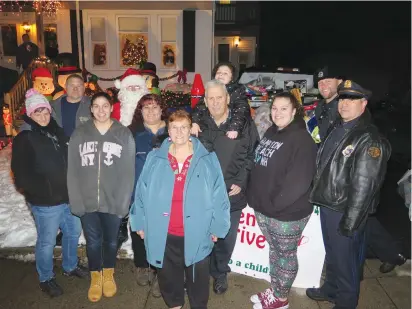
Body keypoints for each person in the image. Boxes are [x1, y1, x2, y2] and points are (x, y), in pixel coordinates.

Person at [130, 110, 230, 309]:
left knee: (198, 282)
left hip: (197, 232)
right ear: (168, 130)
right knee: (168, 279)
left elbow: (220, 195)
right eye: (174, 127)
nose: (179, 132)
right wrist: (139, 221)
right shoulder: (155, 158)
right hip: (163, 232)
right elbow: (141, 191)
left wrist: (218, 227)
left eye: (184, 127)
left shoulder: (207, 159)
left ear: (190, 129)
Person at [306, 80, 391, 309]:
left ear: (363, 103)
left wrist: (351, 221)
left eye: (352, 99)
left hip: (345, 210)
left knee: (347, 264)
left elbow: (365, 186)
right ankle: (330, 289)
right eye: (343, 98)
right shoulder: (339, 126)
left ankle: (345, 302)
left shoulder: (369, 138)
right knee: (333, 254)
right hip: (329, 203)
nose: (345, 104)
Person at [11, 89, 87, 298]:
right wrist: (39, 192)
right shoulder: (25, 138)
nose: (43, 116)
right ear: (30, 114)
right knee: (47, 242)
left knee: (72, 233)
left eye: (45, 112)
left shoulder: (59, 133)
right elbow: (21, 174)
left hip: (69, 198)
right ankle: (45, 278)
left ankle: (70, 265)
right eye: (38, 113)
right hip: (46, 204)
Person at [247, 92, 318, 309]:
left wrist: (272, 205)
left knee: (285, 255)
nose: (277, 113)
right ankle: (276, 289)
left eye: (283, 108)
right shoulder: (271, 131)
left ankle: (281, 299)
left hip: (286, 213)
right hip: (265, 209)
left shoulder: (302, 139)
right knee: (275, 251)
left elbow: (298, 183)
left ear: (294, 111)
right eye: (275, 108)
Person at [67, 92, 135, 302]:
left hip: (113, 201)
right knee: (93, 242)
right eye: (96, 106)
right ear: (91, 109)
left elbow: (128, 172)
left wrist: (123, 202)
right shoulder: (80, 134)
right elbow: (73, 170)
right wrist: (76, 200)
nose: (101, 110)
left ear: (111, 107)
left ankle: (109, 273)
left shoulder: (123, 134)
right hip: (87, 201)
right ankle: (95, 277)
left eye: (105, 105)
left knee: (111, 242)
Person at [197, 80, 259, 295]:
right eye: (210, 98)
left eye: (219, 97)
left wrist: (241, 181)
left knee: (225, 237)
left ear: (228, 99)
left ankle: (220, 272)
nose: (215, 102)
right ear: (205, 101)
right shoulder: (197, 124)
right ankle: (201, 272)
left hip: (231, 194)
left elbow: (253, 155)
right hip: (202, 194)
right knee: (202, 235)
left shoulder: (243, 124)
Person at [128, 93, 169, 297]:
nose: (151, 111)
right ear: (140, 111)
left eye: (155, 107)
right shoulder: (132, 135)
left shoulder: (173, 132)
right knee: (139, 232)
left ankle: (161, 272)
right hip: (139, 194)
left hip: (166, 197)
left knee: (163, 235)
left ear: (162, 110)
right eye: (146, 108)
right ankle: (142, 265)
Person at [51, 73, 92, 245]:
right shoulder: (53, 106)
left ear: (84, 88)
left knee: (83, 191)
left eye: (79, 85)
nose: (75, 89)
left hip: (84, 156)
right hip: (59, 155)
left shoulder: (92, 106)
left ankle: (87, 225)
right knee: (62, 192)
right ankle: (65, 228)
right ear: (65, 88)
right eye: (72, 85)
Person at [191, 61, 251, 140]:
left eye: (225, 73)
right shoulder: (210, 89)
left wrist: (234, 127)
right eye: (218, 72)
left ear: (232, 77)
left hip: (233, 126)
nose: (221, 74)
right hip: (215, 126)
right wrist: (195, 122)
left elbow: (241, 110)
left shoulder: (237, 91)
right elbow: (199, 107)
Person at [314, 66, 344, 141]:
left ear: (340, 82)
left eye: (328, 81)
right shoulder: (319, 107)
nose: (323, 86)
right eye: (320, 82)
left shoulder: (345, 108)